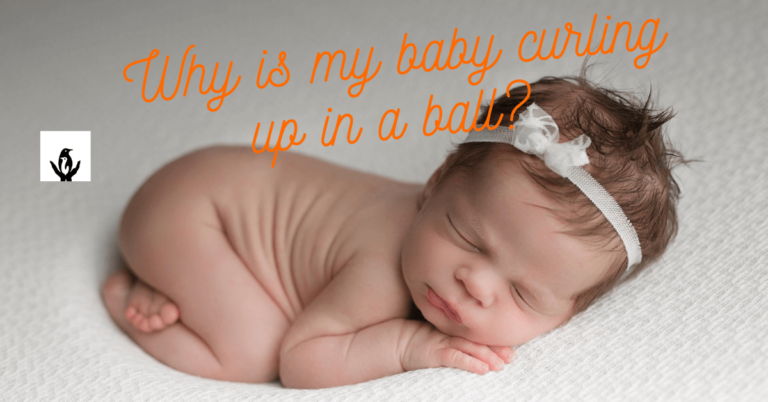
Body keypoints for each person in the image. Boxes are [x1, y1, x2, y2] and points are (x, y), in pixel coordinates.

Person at [101, 66, 685, 389]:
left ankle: (180, 281)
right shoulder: (383, 267)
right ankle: (132, 290)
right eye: (467, 237)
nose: (475, 284)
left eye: (523, 294)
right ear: (435, 185)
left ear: (569, 314)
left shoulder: (451, 222)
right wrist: (408, 345)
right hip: (189, 212)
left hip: (218, 183)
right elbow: (301, 362)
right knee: (253, 352)